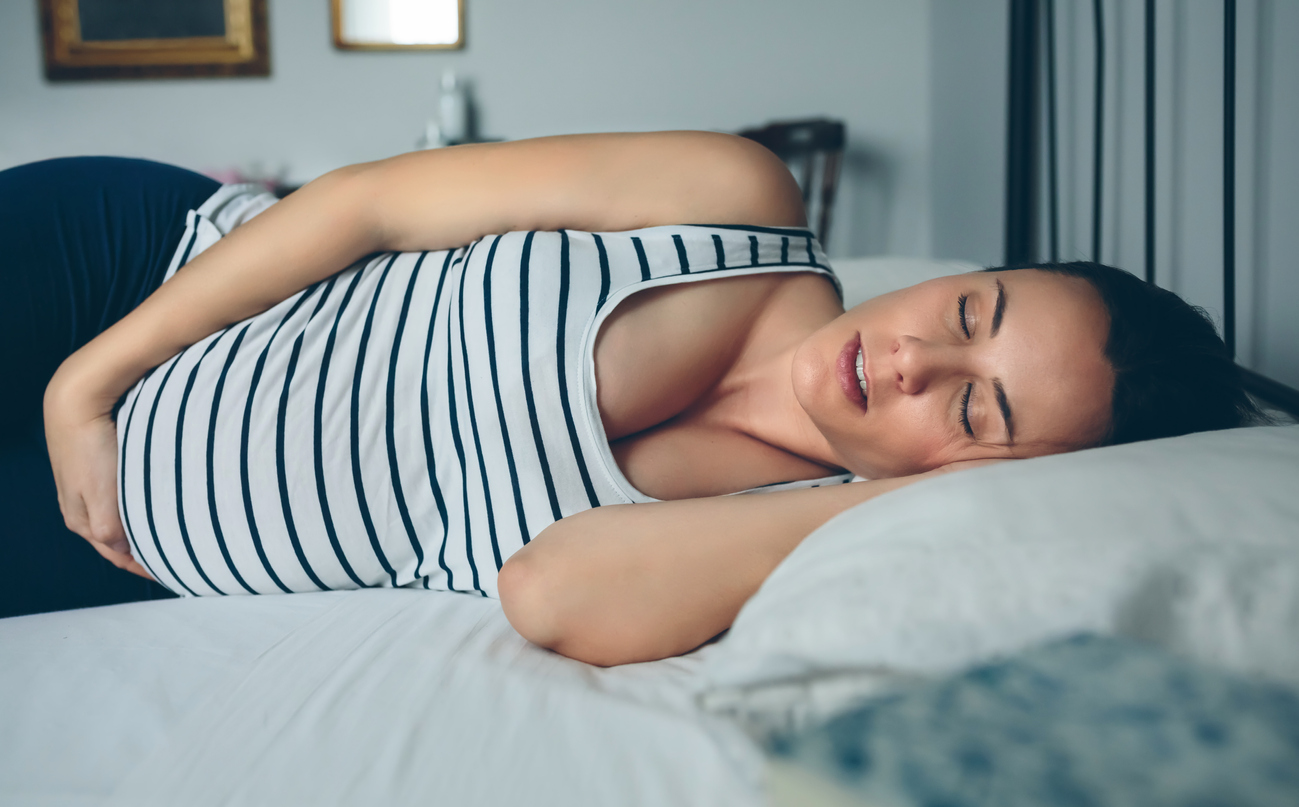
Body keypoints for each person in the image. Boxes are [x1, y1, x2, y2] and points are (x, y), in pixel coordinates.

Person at [2, 132, 1257, 665]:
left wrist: (883, 497)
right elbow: (367, 203)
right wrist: (86, 380)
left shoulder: (794, 526)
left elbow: (548, 592)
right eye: (971, 311)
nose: (918, 360)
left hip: (121, 540)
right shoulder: (738, 202)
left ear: (987, 476)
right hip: (124, 275)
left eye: (977, 413)